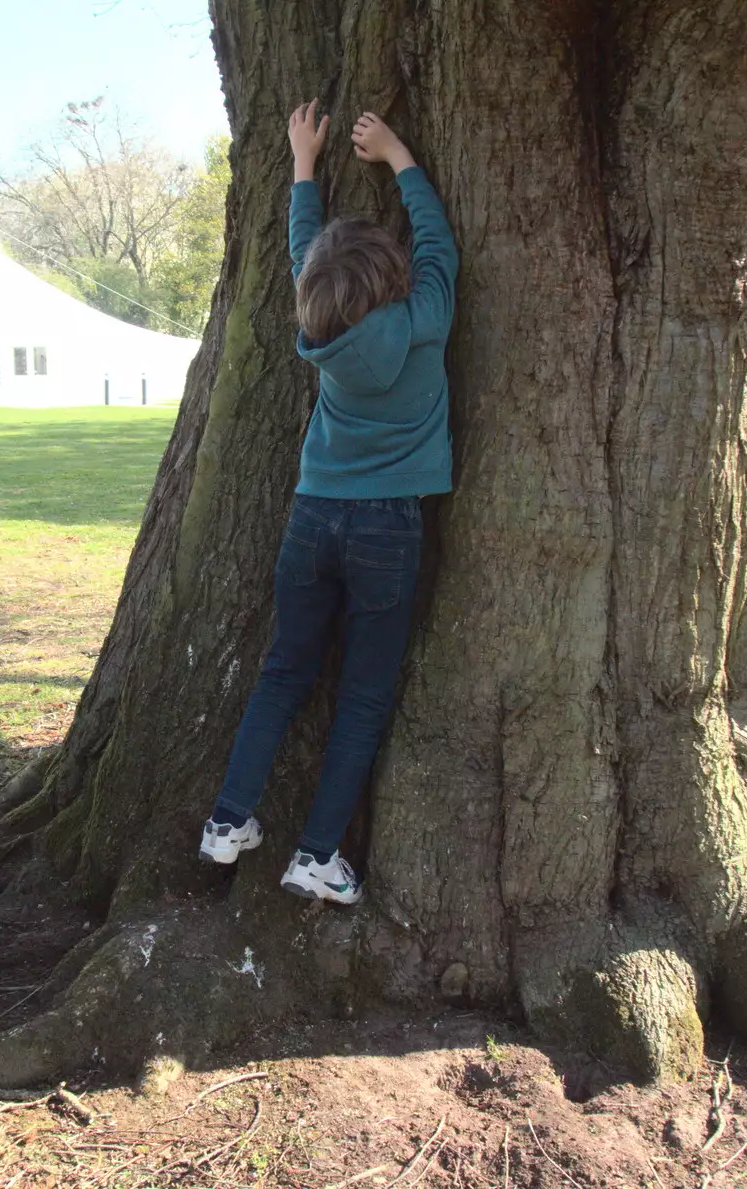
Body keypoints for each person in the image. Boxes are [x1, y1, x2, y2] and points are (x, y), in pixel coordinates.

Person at [198, 101, 458, 905]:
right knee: (363, 696)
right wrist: (400, 155)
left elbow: (298, 253)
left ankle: (227, 820)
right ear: (392, 279)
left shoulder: (319, 331)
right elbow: (441, 247)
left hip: (312, 519)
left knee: (284, 671)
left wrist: (303, 164)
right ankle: (316, 854)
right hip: (386, 528)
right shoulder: (424, 321)